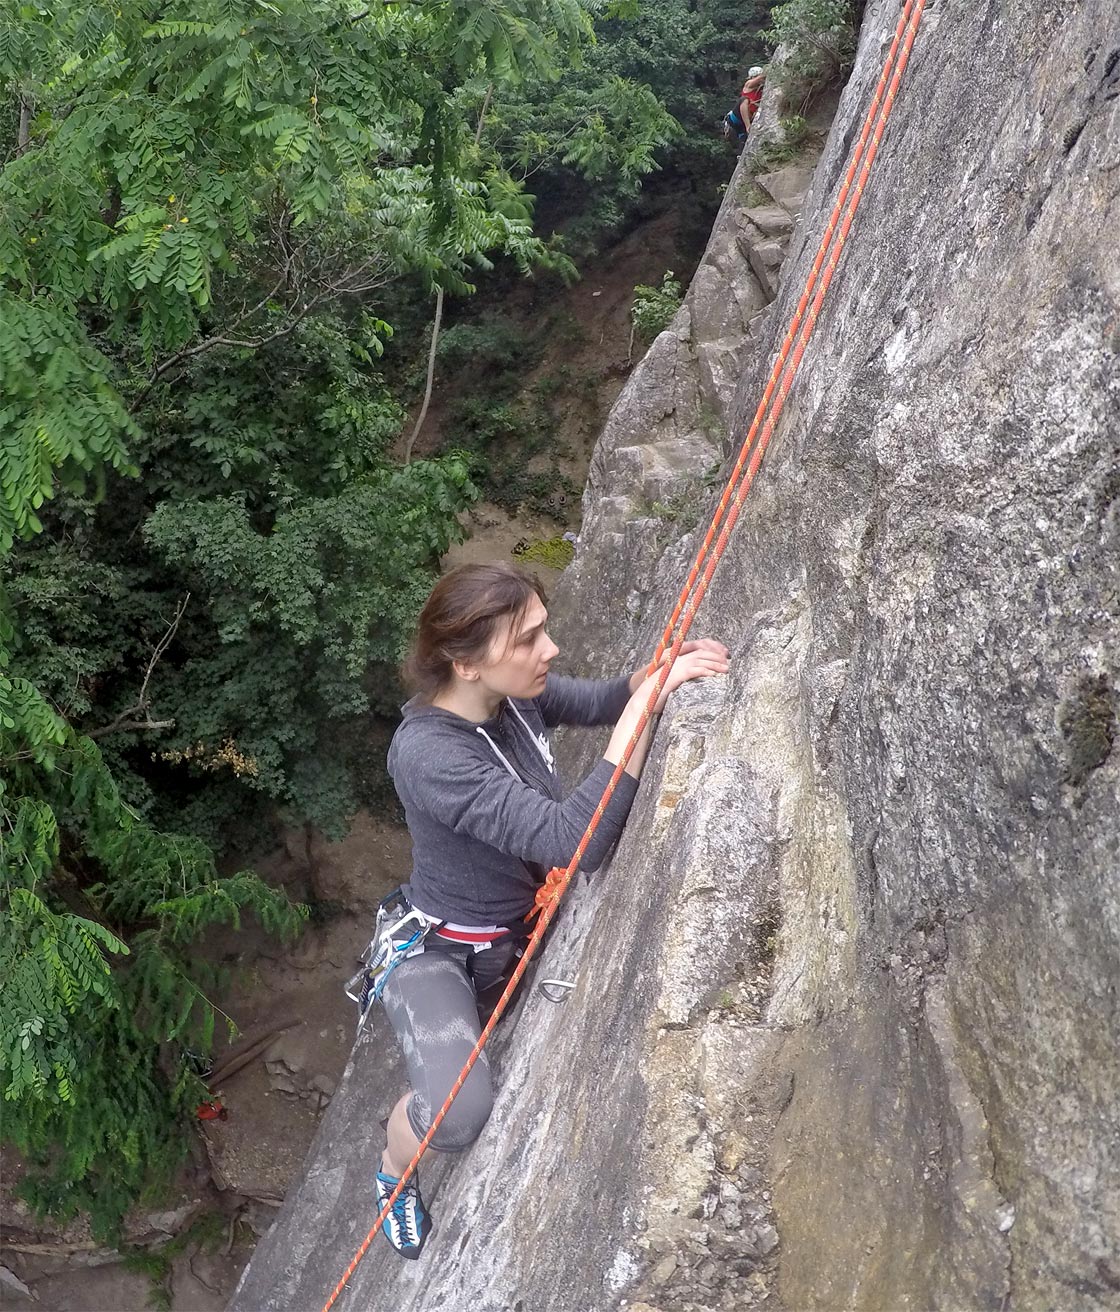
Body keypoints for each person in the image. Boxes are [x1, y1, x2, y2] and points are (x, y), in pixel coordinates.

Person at [373, 562, 729, 1258]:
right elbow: (579, 840)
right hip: (443, 956)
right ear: (466, 664)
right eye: (529, 640)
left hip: (512, 935)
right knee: (456, 1113)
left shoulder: (514, 697)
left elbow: (597, 699)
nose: (550, 650)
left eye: (544, 630)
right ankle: (392, 1173)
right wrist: (649, 704)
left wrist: (653, 674)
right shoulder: (428, 755)